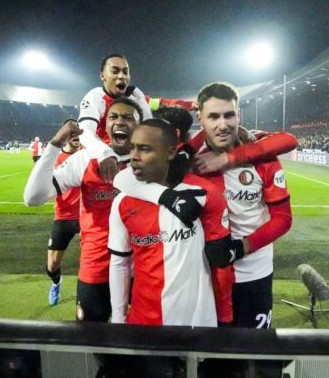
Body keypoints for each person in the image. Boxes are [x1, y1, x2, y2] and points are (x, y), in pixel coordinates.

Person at [113, 82, 293, 329]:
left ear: (239, 114)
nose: (223, 124)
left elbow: (283, 219)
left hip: (254, 273)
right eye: (213, 116)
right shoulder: (187, 159)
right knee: (213, 359)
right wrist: (167, 197)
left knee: (256, 357)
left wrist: (241, 247)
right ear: (201, 118)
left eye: (229, 115)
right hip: (206, 279)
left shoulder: (261, 156)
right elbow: (123, 179)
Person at [25, 98, 204, 322]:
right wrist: (54, 144)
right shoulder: (85, 159)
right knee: (93, 341)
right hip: (96, 267)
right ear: (106, 123)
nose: (120, 121)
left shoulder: (154, 160)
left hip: (144, 270)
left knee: (141, 342)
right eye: (113, 116)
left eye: (128, 117)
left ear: (140, 126)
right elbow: (32, 197)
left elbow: (192, 146)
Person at [109, 119, 243, 327]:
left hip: (198, 322)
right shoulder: (121, 202)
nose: (134, 156)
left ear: (171, 153)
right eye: (133, 147)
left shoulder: (203, 194)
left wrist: (225, 317)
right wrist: (118, 321)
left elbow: (220, 264)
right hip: (144, 322)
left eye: (145, 149)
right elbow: (119, 264)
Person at [77, 53, 196, 183]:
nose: (121, 76)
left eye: (125, 72)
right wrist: (104, 153)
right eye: (115, 71)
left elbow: (159, 103)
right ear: (102, 76)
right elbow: (84, 132)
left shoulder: (135, 98)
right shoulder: (95, 97)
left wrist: (191, 104)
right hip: (102, 163)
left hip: (131, 161)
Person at [46, 121, 82, 306]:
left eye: (79, 132)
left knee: (96, 261)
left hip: (87, 216)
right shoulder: (55, 159)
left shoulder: (88, 156)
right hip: (63, 216)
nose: (76, 136)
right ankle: (56, 282)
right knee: (52, 265)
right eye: (72, 133)